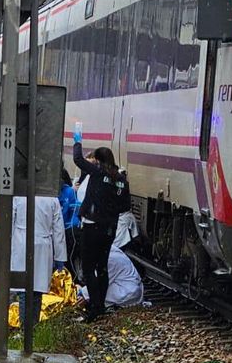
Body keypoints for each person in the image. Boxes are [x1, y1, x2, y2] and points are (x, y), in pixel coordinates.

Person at [71, 135, 130, 322]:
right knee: (102, 266)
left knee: (88, 268)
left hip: (92, 226)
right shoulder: (121, 179)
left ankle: (94, 307)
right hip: (110, 228)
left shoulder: (97, 173)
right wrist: (110, 213)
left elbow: (78, 159)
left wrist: (77, 142)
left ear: (99, 161)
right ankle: (101, 305)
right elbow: (126, 205)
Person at [10, 194, 67, 322]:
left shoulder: (19, 196)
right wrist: (60, 256)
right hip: (43, 244)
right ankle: (32, 327)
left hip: (21, 243)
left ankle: (25, 328)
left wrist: (7, 248)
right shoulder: (51, 199)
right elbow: (58, 229)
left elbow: (9, 223)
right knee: (36, 292)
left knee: (24, 290)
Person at [76, 246, 143, 310]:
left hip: (128, 293)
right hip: (128, 286)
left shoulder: (110, 258)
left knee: (95, 293)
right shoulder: (108, 250)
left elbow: (99, 281)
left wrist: (82, 292)